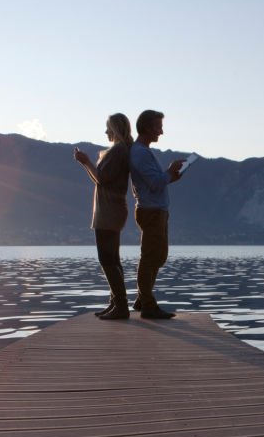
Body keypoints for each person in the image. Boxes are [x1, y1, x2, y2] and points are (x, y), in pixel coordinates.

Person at [73, 113, 134, 320]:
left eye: (108, 128)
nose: (106, 132)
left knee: (107, 258)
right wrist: (86, 164)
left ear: (115, 129)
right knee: (112, 258)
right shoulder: (121, 151)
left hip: (109, 210)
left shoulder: (117, 151)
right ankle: (116, 303)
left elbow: (101, 178)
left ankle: (121, 305)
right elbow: (101, 181)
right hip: (112, 209)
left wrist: (86, 161)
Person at [129, 109, 185, 319]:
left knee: (157, 256)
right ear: (146, 127)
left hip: (156, 210)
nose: (161, 132)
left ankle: (143, 298)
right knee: (151, 257)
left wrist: (171, 177)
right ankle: (147, 305)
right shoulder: (141, 153)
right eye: (158, 127)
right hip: (151, 211)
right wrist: (169, 172)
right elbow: (154, 183)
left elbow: (157, 181)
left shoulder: (143, 151)